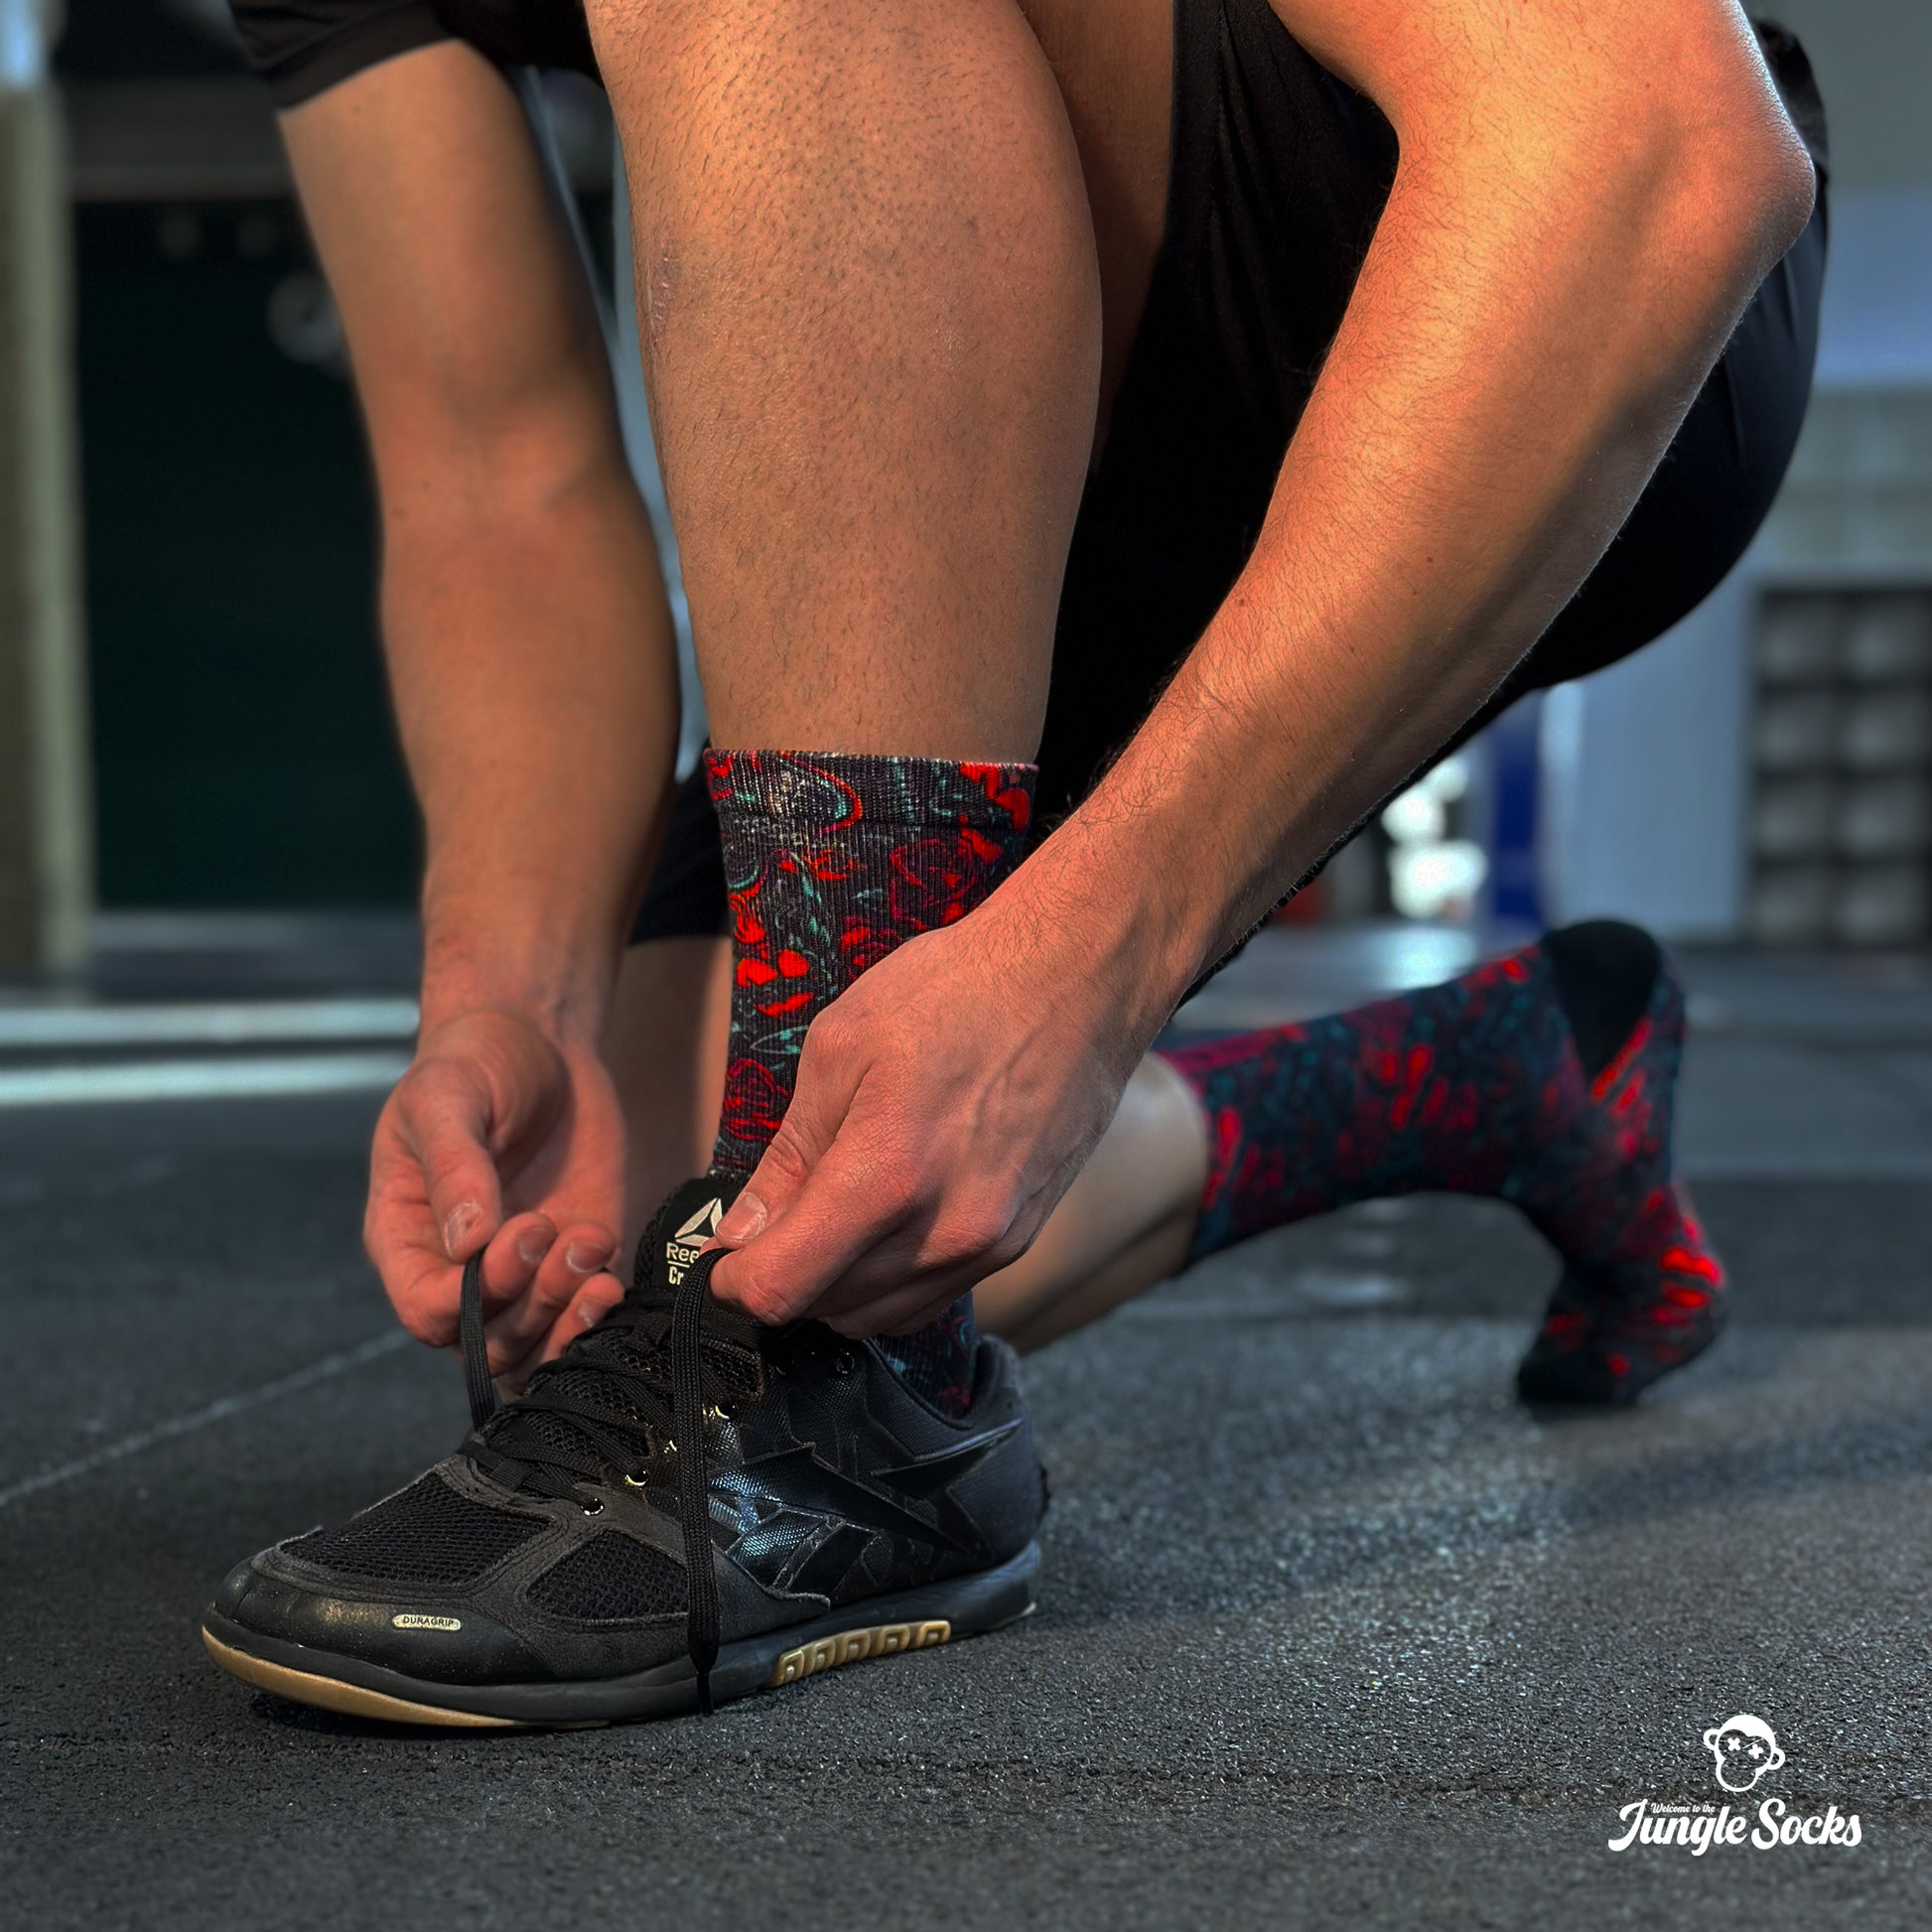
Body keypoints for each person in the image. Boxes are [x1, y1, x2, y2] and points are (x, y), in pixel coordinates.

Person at [200, 0, 1826, 1725]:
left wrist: (1081, 965)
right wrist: (511, 997)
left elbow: (1653, 148)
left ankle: (836, 1376)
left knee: (798, 1273)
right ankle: (1493, 1073)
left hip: (1502, 287)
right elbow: (497, 481)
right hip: (961, 390)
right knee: (731, 1212)